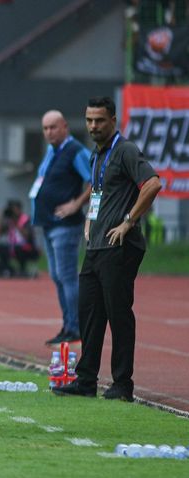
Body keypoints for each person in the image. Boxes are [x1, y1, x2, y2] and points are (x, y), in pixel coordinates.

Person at [53, 96, 161, 402]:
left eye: (99, 120)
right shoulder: (96, 155)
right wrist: (89, 219)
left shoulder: (125, 150)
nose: (93, 126)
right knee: (89, 314)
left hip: (120, 245)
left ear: (113, 120)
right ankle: (86, 380)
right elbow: (98, 193)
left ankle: (122, 384)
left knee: (118, 314)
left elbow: (152, 183)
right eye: (89, 120)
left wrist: (128, 221)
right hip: (97, 245)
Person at [29, 110, 92, 346]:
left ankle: (75, 327)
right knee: (57, 276)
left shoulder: (75, 151)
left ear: (65, 126)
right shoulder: (51, 151)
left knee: (66, 276)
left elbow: (95, 179)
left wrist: (76, 204)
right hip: (48, 223)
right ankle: (68, 325)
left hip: (65, 225)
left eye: (53, 127)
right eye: (45, 128)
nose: (48, 132)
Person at [0, 199, 39, 277]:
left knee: (19, 249)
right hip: (13, 246)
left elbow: (28, 235)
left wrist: (16, 223)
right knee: (0, 247)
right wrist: (2, 215)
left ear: (19, 209)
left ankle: (22, 269)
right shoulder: (8, 220)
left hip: (27, 247)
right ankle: (6, 269)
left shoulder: (25, 219)